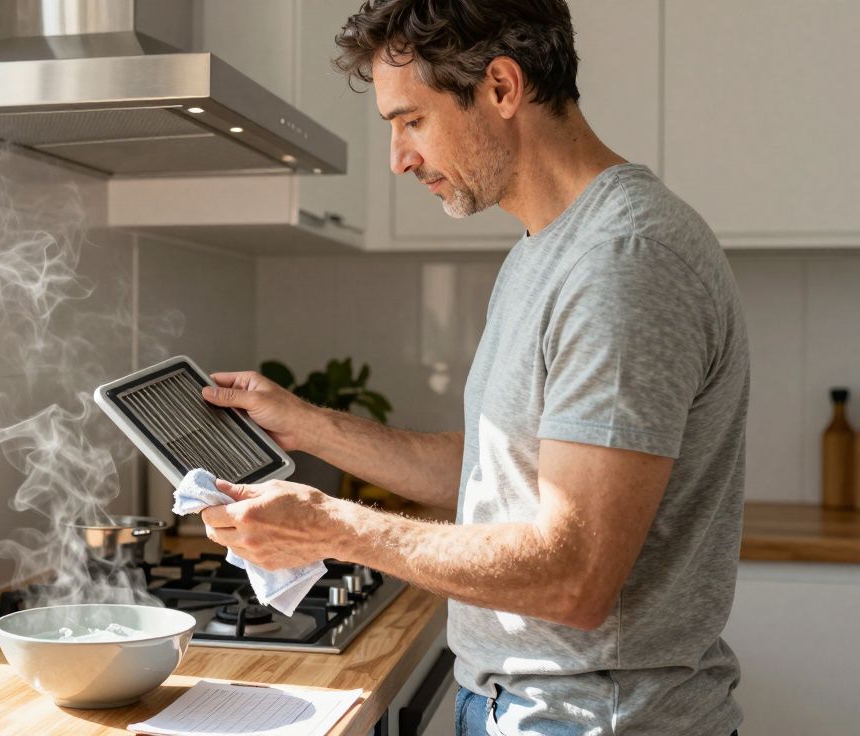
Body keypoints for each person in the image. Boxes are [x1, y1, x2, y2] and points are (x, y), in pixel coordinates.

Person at [198, 1, 748, 734]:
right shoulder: (544, 250)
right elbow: (500, 474)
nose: (398, 158)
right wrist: (307, 426)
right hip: (531, 707)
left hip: (592, 717)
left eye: (411, 121)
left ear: (500, 87)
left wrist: (331, 527)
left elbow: (575, 573)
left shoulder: (624, 262)